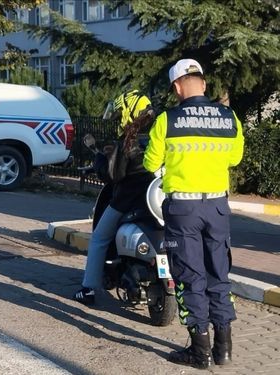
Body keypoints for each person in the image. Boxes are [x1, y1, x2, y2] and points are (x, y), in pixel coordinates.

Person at [143, 59, 244, 369]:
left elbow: (150, 163)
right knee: (218, 275)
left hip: (183, 208)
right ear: (203, 83)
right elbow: (235, 157)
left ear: (176, 87)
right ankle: (224, 349)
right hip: (216, 207)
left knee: (190, 277)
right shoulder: (229, 118)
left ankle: (199, 351)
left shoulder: (167, 120)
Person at [72, 89, 154, 305]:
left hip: (128, 199)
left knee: (99, 238)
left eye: (120, 115)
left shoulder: (128, 140)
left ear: (129, 113)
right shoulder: (160, 133)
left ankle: (88, 289)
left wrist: (100, 160)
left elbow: (112, 175)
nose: (118, 120)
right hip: (158, 201)